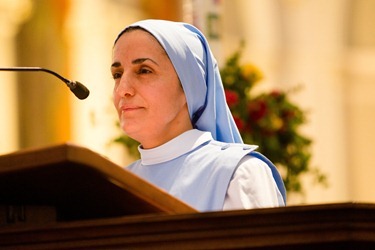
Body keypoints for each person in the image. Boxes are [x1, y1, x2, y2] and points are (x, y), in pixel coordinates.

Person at [111, 19, 286, 212]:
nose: (122, 89)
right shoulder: (114, 186)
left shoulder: (237, 174)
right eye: (117, 74)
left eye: (144, 71)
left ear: (189, 86)